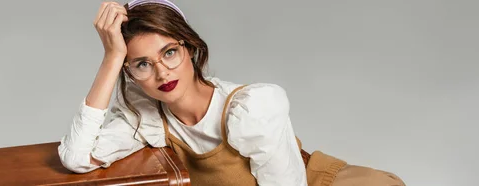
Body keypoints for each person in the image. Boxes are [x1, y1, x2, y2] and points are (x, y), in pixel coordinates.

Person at [57, 0, 406, 185]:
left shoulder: (249, 108)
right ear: (130, 74)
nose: (162, 71)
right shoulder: (147, 118)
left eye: (169, 52)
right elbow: (76, 157)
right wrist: (112, 56)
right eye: (142, 64)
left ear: (190, 48)